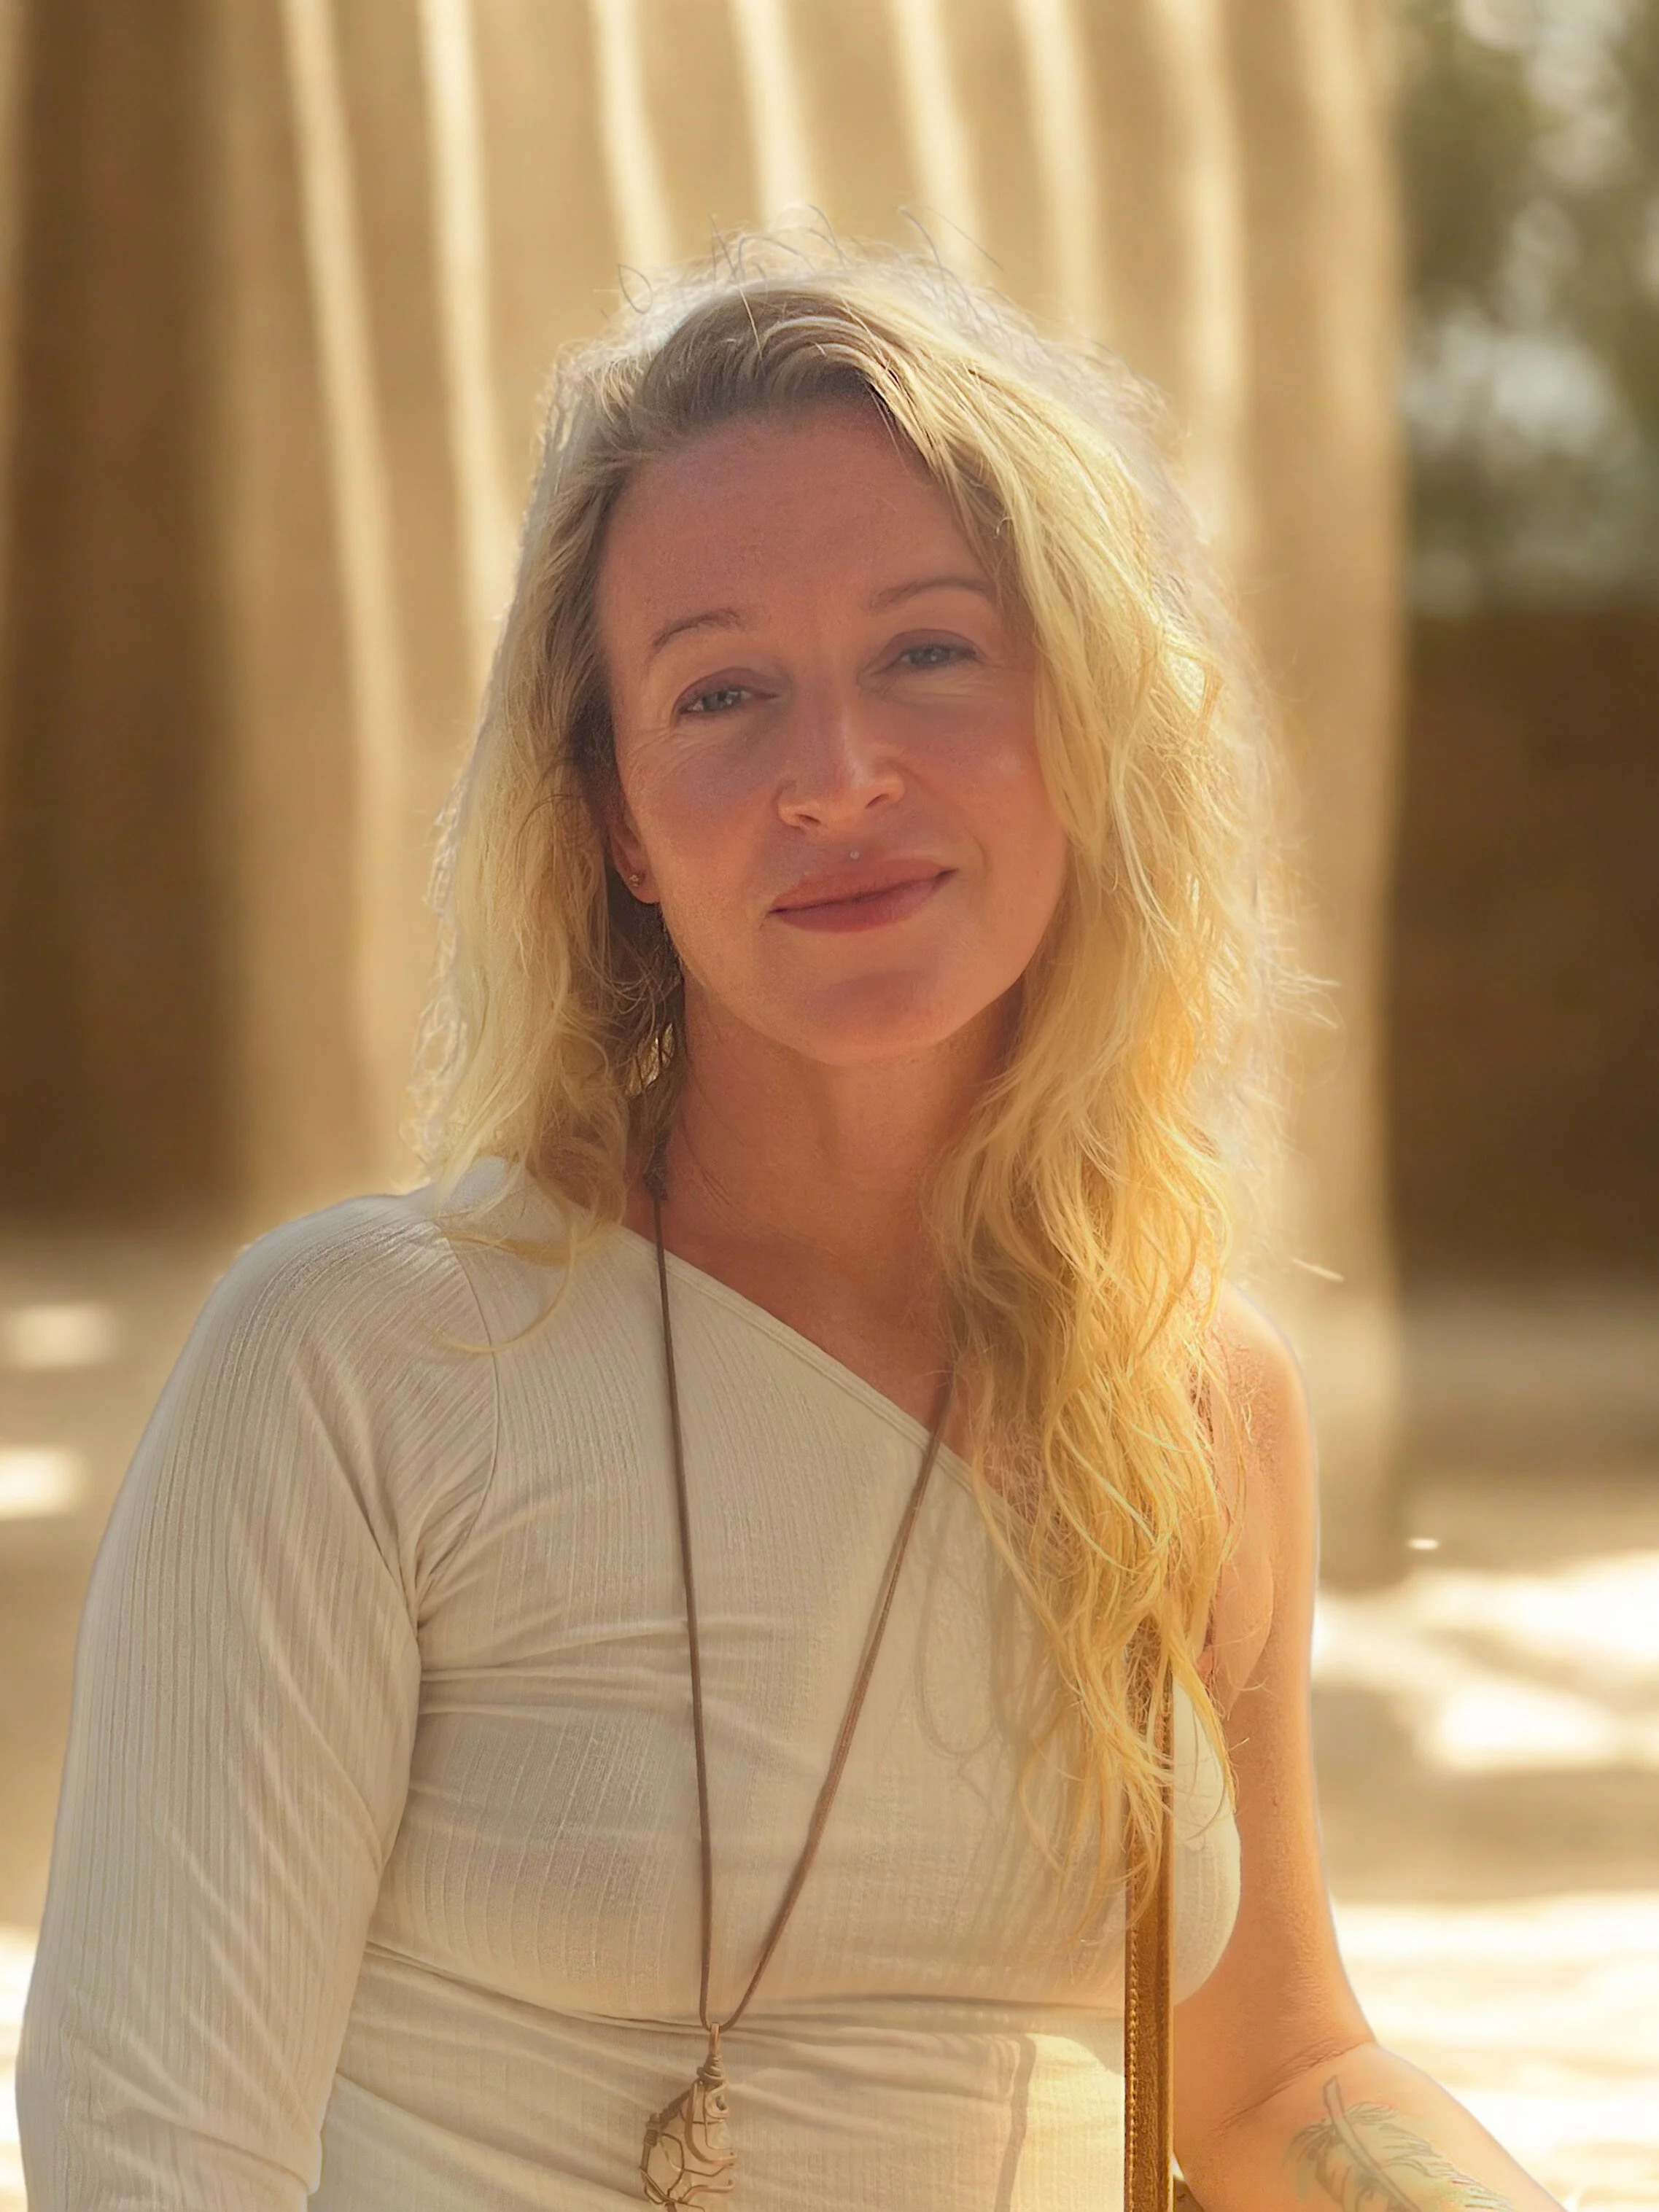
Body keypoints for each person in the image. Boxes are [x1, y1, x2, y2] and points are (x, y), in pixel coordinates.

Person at [18, 237, 1561, 2211]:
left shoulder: (1186, 1398)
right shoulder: (354, 1363)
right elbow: (154, 2157)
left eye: (931, 653)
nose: (839, 779)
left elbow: (1269, 2079)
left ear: (1081, 725)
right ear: (616, 823)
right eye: (723, 693)